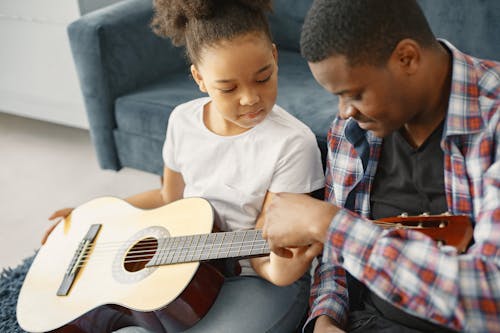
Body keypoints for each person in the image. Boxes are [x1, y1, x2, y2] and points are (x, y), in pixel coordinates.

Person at [43, 1, 325, 332]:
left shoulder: (293, 144)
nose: (250, 98)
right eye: (228, 88)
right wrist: (86, 216)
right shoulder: (183, 120)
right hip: (183, 270)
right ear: (199, 78)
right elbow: (167, 198)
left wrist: (281, 270)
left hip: (254, 278)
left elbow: (265, 251)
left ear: (275, 59)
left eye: (263, 78)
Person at [261, 0, 500, 332]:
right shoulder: (352, 131)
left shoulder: (493, 121)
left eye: (354, 94)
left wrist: (329, 224)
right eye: (338, 97)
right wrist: (326, 318)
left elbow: (490, 298)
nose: (344, 112)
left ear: (407, 58)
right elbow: (336, 261)